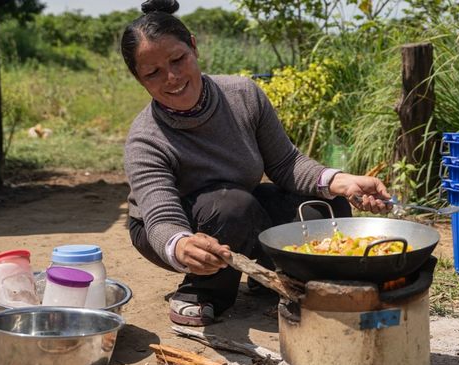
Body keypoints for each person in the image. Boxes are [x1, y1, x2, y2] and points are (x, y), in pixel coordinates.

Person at [121, 0, 393, 326]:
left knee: (326, 209)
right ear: (139, 80)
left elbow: (285, 162)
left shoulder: (243, 94)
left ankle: (274, 276)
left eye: (178, 59)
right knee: (231, 206)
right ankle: (203, 290)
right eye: (153, 73)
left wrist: (342, 182)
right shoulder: (146, 138)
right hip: (170, 229)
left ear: (194, 46)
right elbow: (160, 213)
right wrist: (180, 246)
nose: (172, 77)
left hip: (241, 206)